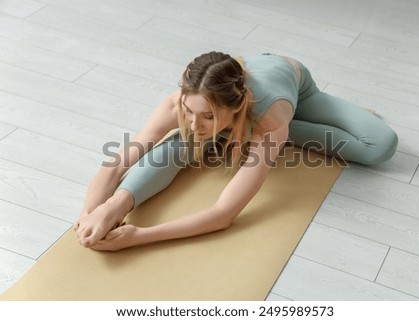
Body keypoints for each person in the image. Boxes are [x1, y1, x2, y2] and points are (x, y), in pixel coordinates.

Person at [74, 52, 398, 251]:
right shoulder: (180, 103)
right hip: (235, 95)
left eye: (209, 117)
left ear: (237, 107)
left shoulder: (270, 122)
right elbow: (116, 165)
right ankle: (231, 132)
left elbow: (223, 214)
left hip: (293, 83)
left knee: (381, 145)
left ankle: (247, 131)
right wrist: (94, 213)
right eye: (189, 111)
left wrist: (140, 236)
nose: (193, 123)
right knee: (183, 142)